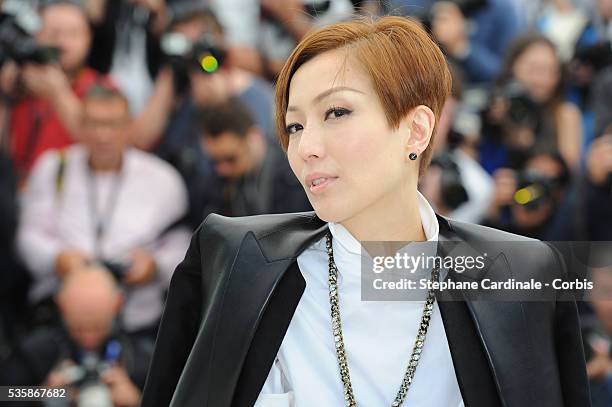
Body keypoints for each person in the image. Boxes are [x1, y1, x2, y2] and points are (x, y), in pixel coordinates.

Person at [141, 16, 590, 407]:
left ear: (416, 130)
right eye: (294, 125)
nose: (306, 148)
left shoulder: (518, 275)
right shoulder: (236, 260)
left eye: (336, 112)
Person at [16, 81, 190, 335]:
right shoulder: (54, 166)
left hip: (138, 317)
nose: (103, 135)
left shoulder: (163, 178)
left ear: (129, 125)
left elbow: (182, 241)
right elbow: (28, 236)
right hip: (63, 313)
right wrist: (58, 258)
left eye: (113, 124)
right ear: (80, 125)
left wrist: (154, 266)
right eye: (94, 124)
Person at [0, 266, 152, 407]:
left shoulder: (140, 355)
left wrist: (137, 400)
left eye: (98, 327)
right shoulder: (36, 351)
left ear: (118, 304)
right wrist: (45, 394)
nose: (89, 338)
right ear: (61, 305)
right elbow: (5, 394)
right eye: (78, 329)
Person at [9, 0, 104, 184]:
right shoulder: (19, 83)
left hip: (77, 191)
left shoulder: (103, 87)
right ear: (35, 37)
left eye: (73, 33)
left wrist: (59, 93)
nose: (63, 43)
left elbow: (101, 142)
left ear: (88, 38)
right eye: (53, 34)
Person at [185, 97, 311, 228]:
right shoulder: (214, 183)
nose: (222, 169)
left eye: (230, 159)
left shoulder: (293, 174)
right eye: (214, 161)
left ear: (254, 137)